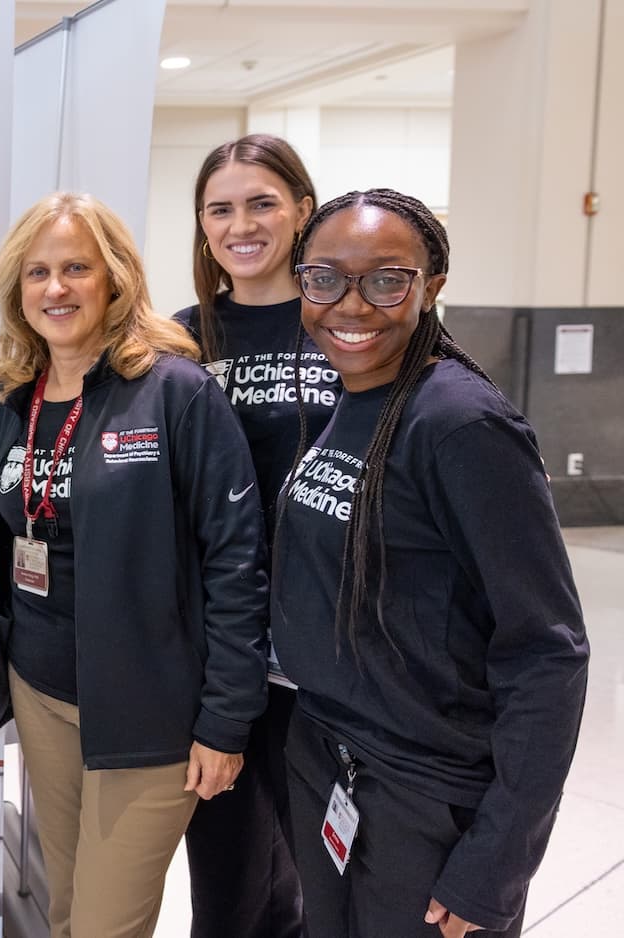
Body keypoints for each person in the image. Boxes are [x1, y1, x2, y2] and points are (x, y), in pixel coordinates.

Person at [273, 189, 589, 938]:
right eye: (325, 278)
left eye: (386, 279)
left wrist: (498, 860)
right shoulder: (354, 395)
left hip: (426, 795)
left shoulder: (460, 424)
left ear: (431, 286)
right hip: (332, 758)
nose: (351, 305)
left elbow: (549, 653)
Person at [0, 192, 270, 938]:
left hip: (149, 708)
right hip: (40, 691)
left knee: (106, 924)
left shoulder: (175, 392)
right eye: (37, 272)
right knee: (65, 905)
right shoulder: (12, 396)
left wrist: (227, 721)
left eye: (76, 267)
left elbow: (236, 560)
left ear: (116, 279)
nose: (56, 288)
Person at [175, 133, 329, 938]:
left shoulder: (349, 328)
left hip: (327, 664)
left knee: (326, 884)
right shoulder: (179, 340)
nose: (242, 224)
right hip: (223, 663)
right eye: (220, 208)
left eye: (263, 202)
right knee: (229, 894)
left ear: (303, 209)